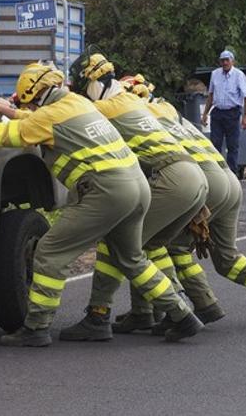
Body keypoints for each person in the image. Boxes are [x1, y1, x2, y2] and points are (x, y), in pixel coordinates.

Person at [0, 62, 201, 347]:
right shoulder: (76, 102)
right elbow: (40, 120)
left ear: (37, 95)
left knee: (50, 251)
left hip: (106, 191)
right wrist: (9, 111)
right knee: (132, 258)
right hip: (138, 186)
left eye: (27, 103)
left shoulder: (49, 116)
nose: (27, 108)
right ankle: (182, 315)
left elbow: (5, 136)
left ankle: (36, 327)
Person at [124, 78, 246, 328]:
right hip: (228, 180)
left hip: (205, 183)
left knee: (162, 244)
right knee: (227, 259)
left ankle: (187, 308)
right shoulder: (171, 114)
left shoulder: (139, 120)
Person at [58, 57, 208, 342]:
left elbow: (69, 114)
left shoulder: (105, 107)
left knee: (120, 246)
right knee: (149, 245)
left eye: (82, 87)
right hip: (191, 176)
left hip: (171, 178)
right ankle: (154, 312)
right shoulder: (130, 101)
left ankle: (100, 315)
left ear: (93, 83)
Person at [201, 50, 246, 173]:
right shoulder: (215, 74)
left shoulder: (239, 75)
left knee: (232, 145)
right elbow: (211, 96)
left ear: (232, 61)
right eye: (222, 60)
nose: (224, 63)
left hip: (232, 113)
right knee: (215, 144)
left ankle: (232, 173)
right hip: (218, 112)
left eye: (227, 60)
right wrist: (205, 114)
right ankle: (217, 172)